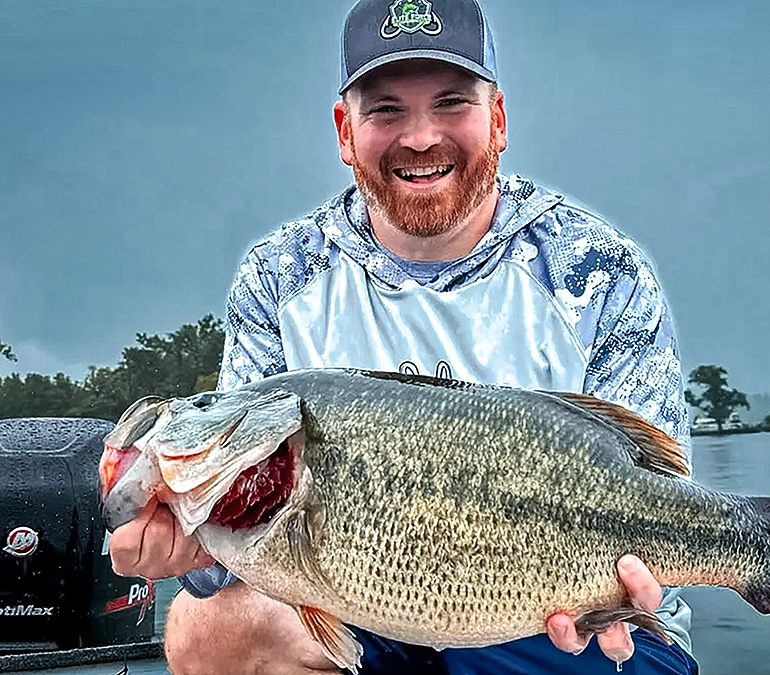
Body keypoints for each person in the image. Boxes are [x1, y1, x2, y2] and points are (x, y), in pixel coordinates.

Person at [108, 0, 698, 673]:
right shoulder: (278, 276)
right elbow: (244, 547)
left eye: (451, 103)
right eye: (386, 109)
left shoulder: (598, 270)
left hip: (574, 626)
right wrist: (192, 545)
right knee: (206, 626)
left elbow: (657, 490)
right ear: (345, 130)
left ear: (498, 119)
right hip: (369, 613)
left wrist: (625, 592)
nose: (421, 137)